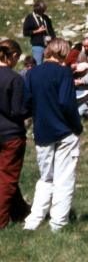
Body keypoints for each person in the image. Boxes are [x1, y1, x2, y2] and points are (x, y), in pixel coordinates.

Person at [23, 38, 82, 231]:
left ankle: (33, 220)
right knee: (64, 178)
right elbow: (67, 103)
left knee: (45, 178)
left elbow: (27, 103)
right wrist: (76, 126)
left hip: (42, 131)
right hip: (64, 131)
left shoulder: (32, 74)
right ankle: (58, 222)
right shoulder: (64, 73)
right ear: (63, 52)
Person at [0, 40, 30, 229]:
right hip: (11, 134)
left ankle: (20, 212)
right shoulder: (14, 78)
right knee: (7, 179)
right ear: (12, 56)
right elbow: (18, 111)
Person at [23, 0, 56, 65]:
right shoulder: (30, 18)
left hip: (49, 45)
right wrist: (37, 31)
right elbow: (25, 32)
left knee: (49, 64)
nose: (43, 12)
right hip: (37, 45)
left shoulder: (46, 17)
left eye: (44, 10)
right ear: (37, 10)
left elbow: (51, 30)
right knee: (38, 64)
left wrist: (53, 39)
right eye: (42, 10)